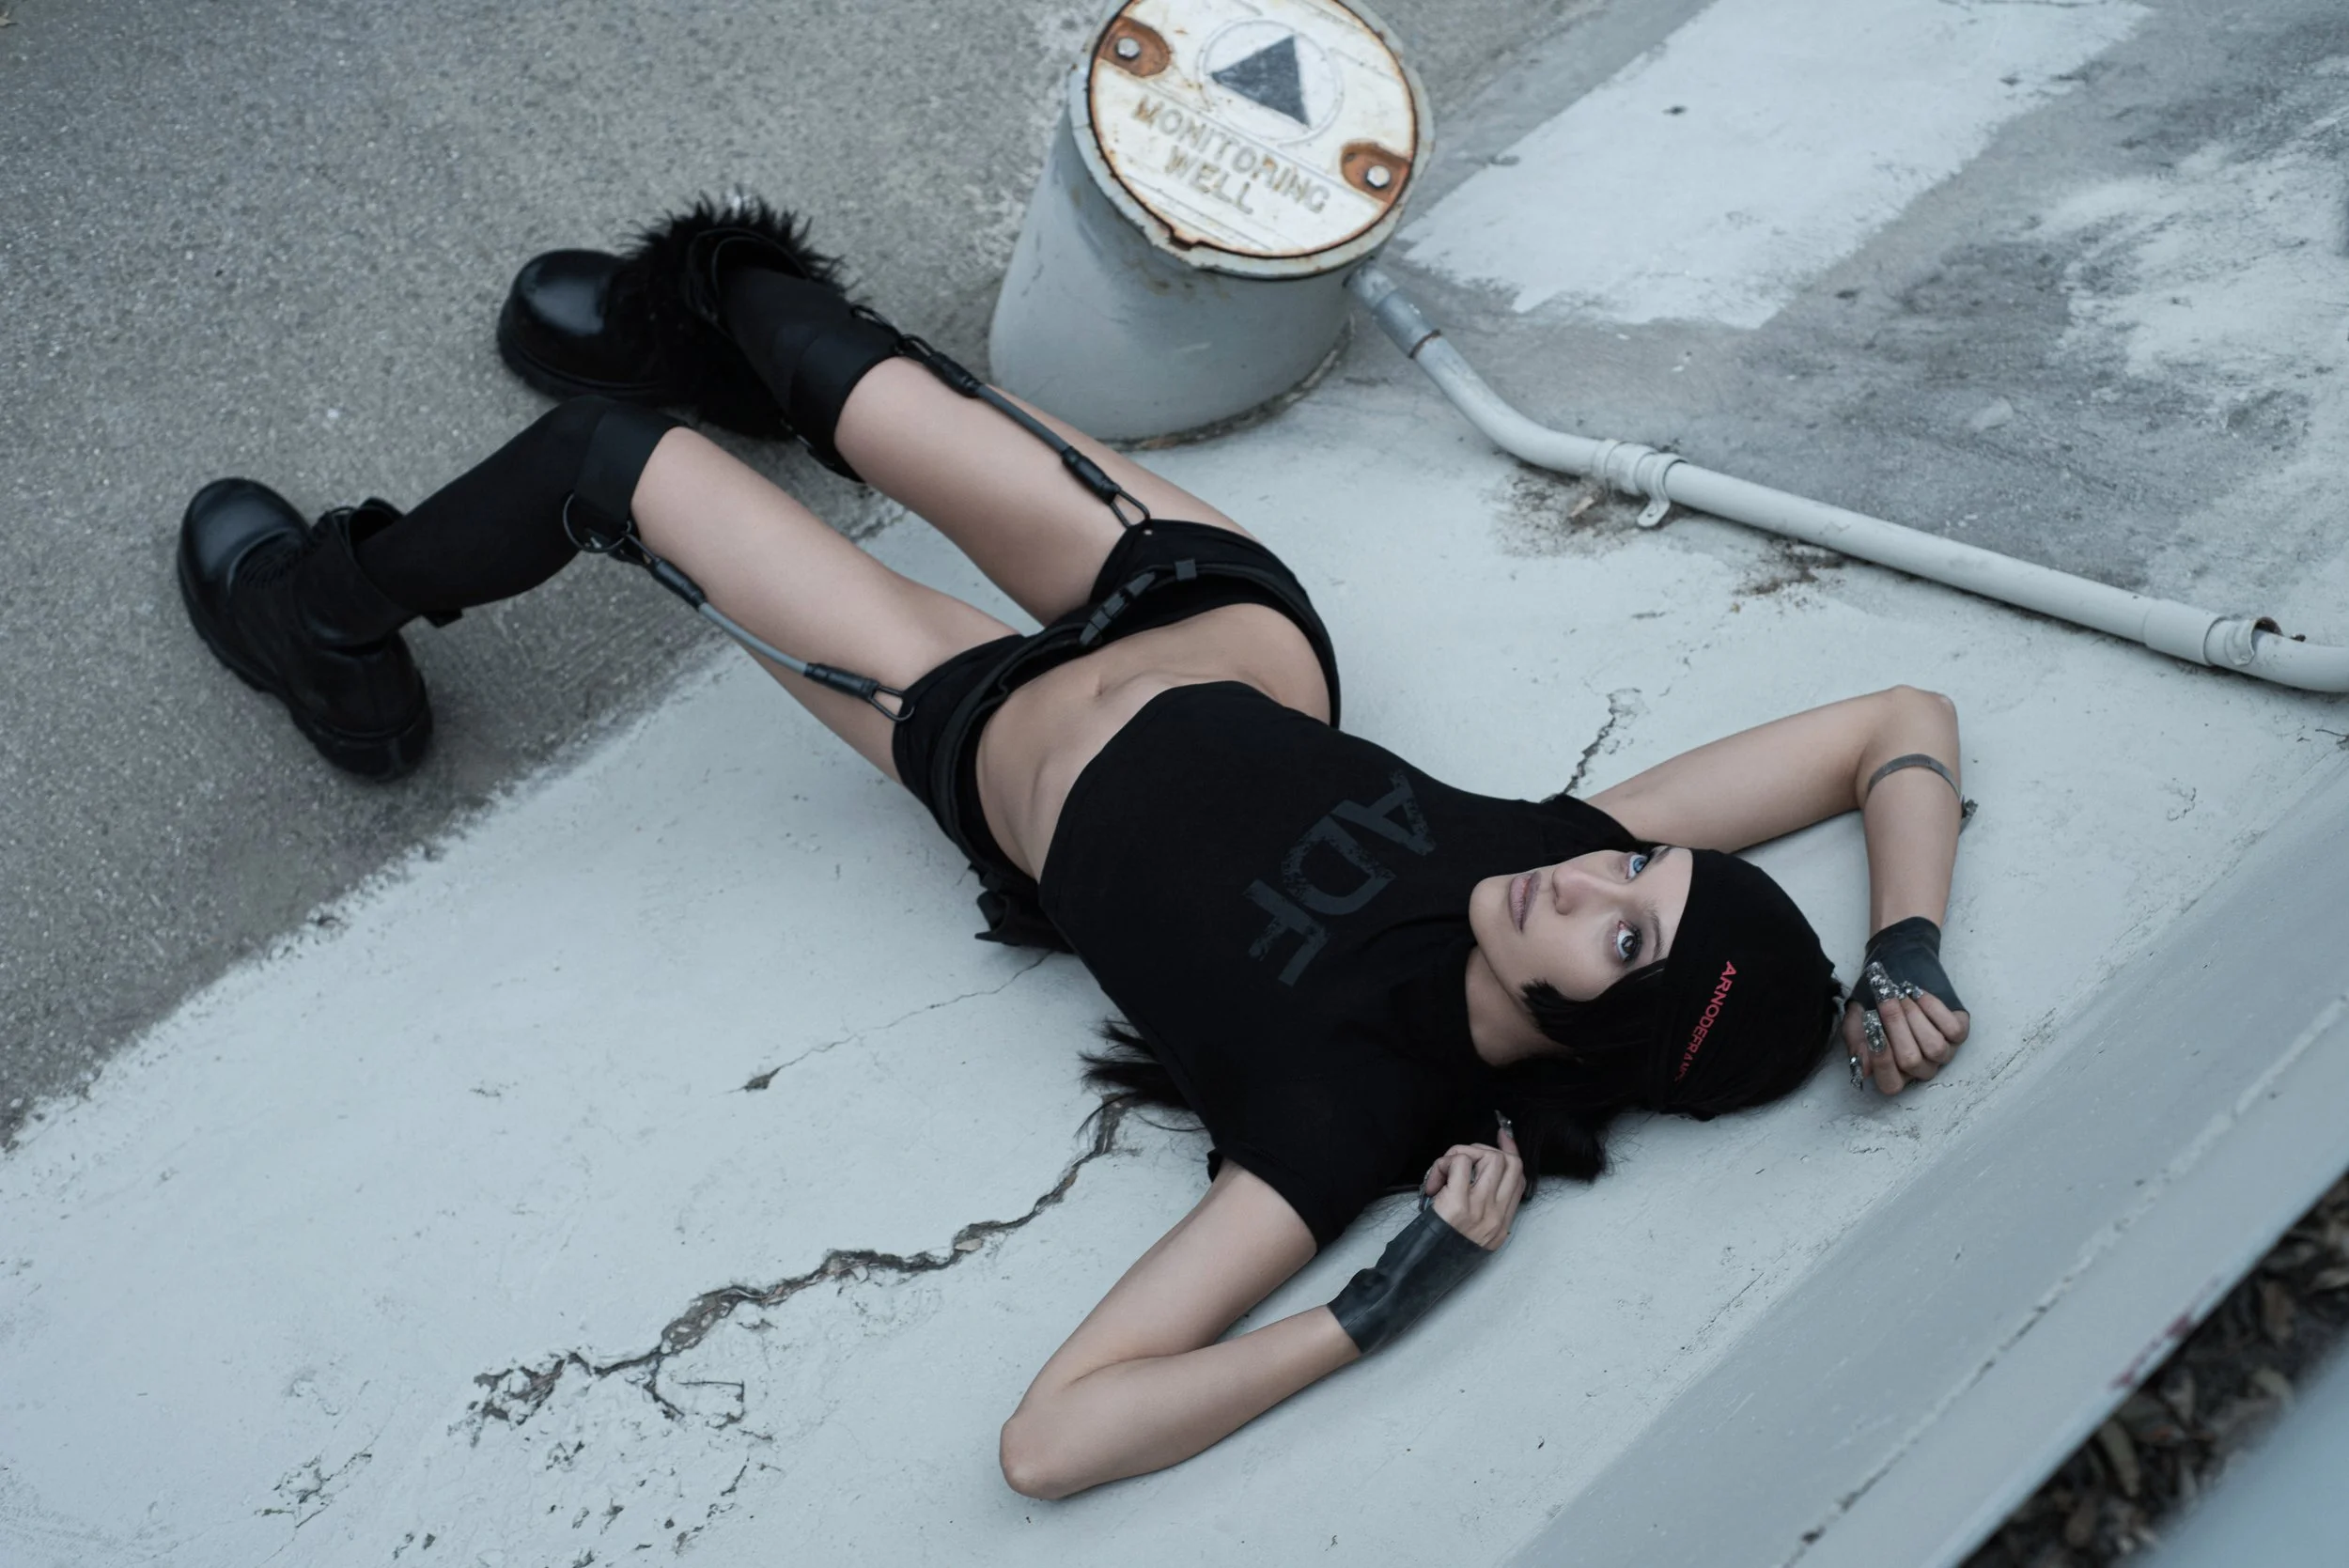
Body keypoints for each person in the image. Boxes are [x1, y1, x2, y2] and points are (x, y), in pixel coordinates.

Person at [174, 199, 1973, 1498]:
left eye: (1619, 938)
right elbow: (1899, 724)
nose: (1589, 881)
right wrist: (1906, 943)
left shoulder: (1347, 1117)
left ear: (1600, 1043)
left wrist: (1383, 1300)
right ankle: (716, 345)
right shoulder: (1567, 859)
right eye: (1635, 872)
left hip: (980, 728)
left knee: (603, 458)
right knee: (803, 340)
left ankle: (323, 627)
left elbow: (1054, 1439)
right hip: (1209, 607)